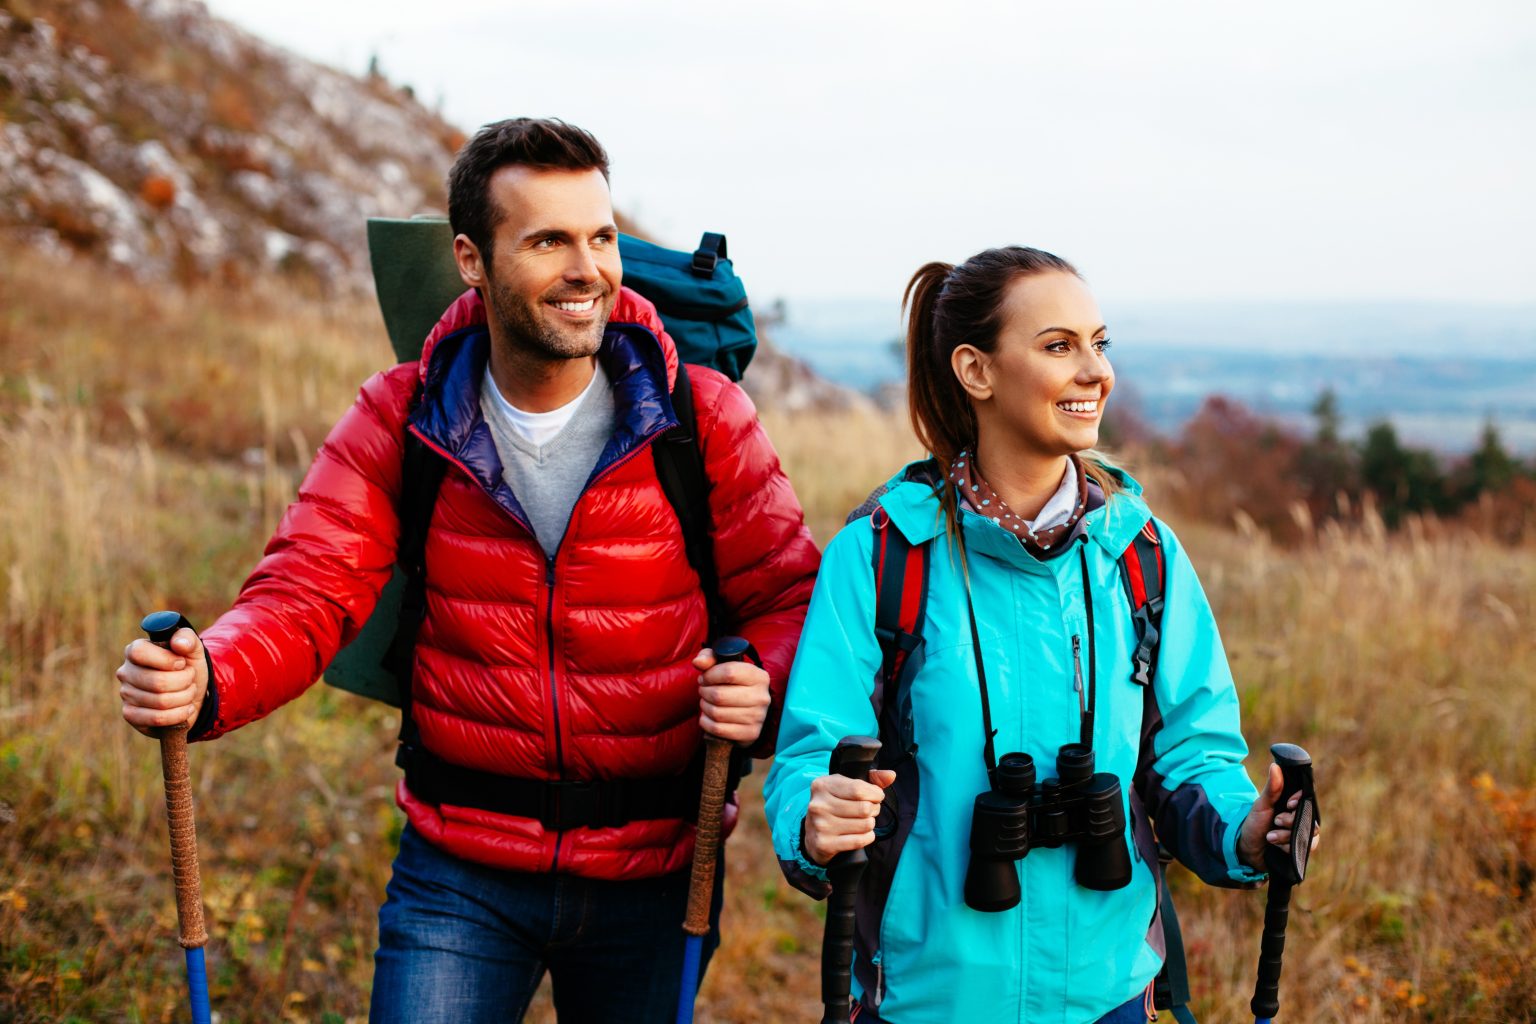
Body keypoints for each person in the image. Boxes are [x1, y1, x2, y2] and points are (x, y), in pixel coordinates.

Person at [115, 118, 821, 1023]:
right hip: (460, 870)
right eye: (548, 241)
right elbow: (308, 588)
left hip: (659, 866)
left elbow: (788, 596)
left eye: (601, 237)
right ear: (471, 260)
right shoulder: (405, 410)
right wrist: (209, 674)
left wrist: (761, 677)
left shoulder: (702, 412)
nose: (589, 269)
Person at [763, 247, 1320, 1024]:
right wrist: (813, 816)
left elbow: (1192, 755)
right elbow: (812, 754)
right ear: (976, 371)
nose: (1096, 371)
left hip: (1107, 993)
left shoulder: (1141, 554)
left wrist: (1246, 830)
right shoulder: (885, 554)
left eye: (1100, 343)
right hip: (927, 997)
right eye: (1060, 346)